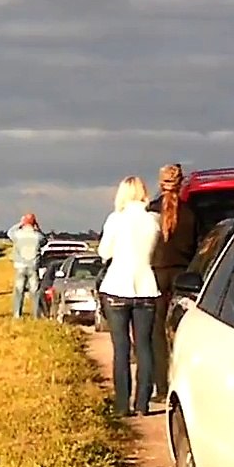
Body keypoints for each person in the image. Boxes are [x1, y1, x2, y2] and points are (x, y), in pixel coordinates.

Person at [97, 176, 162, 417]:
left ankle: (122, 405)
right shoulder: (154, 221)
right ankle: (142, 402)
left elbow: (104, 252)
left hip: (117, 286)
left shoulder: (116, 219)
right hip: (146, 286)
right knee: (144, 347)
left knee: (121, 348)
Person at [147, 163, 199, 402]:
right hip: (182, 275)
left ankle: (161, 386)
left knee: (156, 332)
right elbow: (196, 247)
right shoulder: (190, 213)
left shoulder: (152, 212)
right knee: (181, 330)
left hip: (156, 274)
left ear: (161, 183)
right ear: (181, 182)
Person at [6, 214, 48, 318]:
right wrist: (38, 228)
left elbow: (9, 233)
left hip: (20, 265)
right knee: (34, 292)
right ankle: (35, 315)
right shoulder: (38, 236)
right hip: (33, 265)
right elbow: (45, 241)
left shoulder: (18, 234)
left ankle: (17, 315)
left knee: (19, 291)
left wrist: (20, 223)